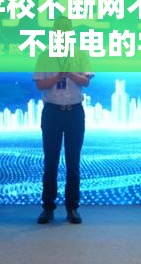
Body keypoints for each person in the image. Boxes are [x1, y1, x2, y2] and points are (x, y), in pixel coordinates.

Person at [33, 16, 93, 224]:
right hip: (52, 112)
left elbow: (86, 81)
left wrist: (70, 74)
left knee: (73, 162)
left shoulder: (80, 54)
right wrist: (58, 77)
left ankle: (72, 208)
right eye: (59, 29)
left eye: (66, 29)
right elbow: (40, 85)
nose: (62, 33)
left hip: (74, 112)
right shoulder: (45, 55)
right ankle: (48, 207)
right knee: (50, 161)